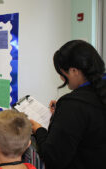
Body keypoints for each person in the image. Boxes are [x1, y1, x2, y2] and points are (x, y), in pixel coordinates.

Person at [30, 40, 106, 169]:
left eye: (62, 73)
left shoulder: (73, 105)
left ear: (74, 71)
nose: (61, 78)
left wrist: (39, 130)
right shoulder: (76, 104)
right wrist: (61, 115)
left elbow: (53, 157)